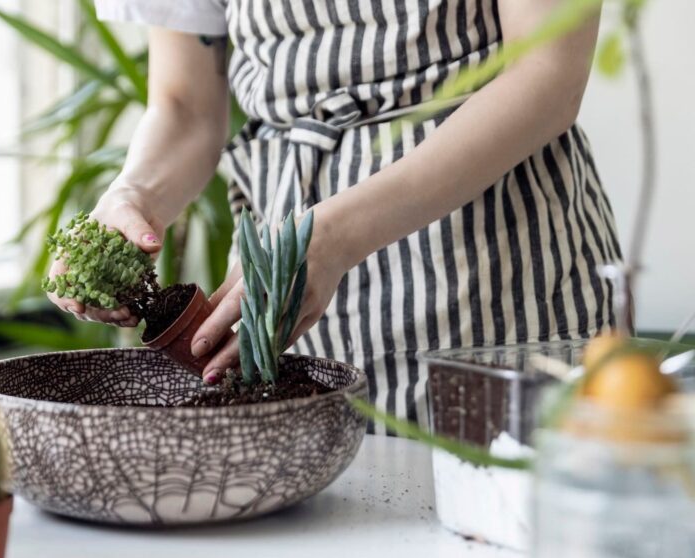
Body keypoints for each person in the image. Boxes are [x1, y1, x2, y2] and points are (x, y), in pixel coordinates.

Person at [48, 0, 621, 429]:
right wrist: (136, 196)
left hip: (494, 268)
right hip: (277, 278)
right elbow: (186, 107)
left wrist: (334, 236)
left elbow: (548, 74)